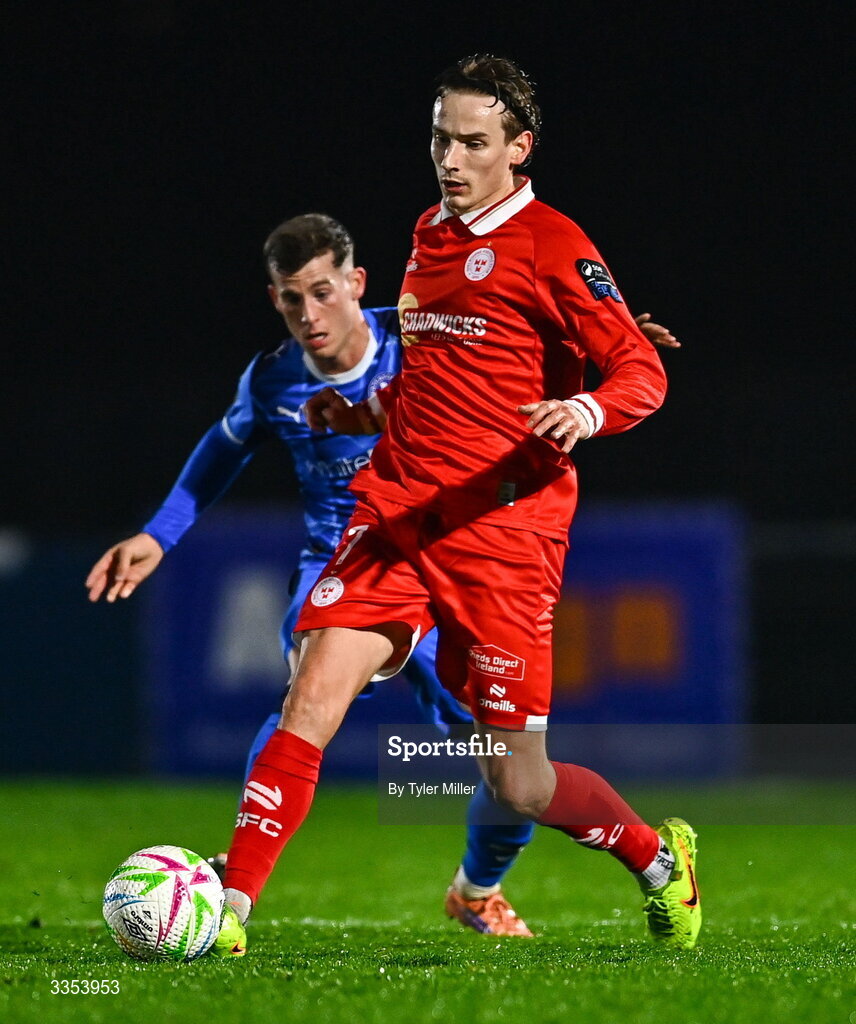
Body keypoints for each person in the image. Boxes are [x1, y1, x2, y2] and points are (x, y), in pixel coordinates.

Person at [210, 55, 700, 958]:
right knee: (311, 689)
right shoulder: (429, 232)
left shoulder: (555, 242)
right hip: (396, 515)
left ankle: (657, 858)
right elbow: (446, 355)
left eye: (473, 142)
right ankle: (226, 911)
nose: (450, 157)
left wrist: (588, 402)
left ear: (519, 149)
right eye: (441, 137)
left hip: (504, 536)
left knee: (519, 783)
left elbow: (643, 372)